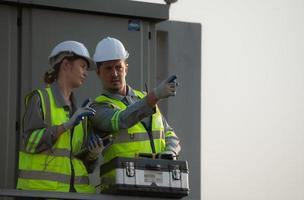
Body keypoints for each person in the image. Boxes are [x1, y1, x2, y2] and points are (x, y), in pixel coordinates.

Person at [90, 37, 181, 192]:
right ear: (98, 72)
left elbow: (170, 135)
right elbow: (121, 120)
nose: (114, 73)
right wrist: (155, 95)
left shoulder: (144, 98)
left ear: (126, 67)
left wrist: (169, 153)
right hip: (121, 190)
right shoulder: (97, 107)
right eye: (108, 68)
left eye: (118, 67)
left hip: (159, 187)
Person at [17, 41, 104, 193]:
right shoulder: (40, 99)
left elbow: (81, 164)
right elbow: (30, 143)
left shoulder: (79, 111)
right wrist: (65, 126)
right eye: (82, 66)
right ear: (66, 64)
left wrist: (93, 155)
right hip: (41, 193)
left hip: (75, 194)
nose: (86, 73)